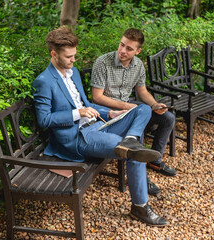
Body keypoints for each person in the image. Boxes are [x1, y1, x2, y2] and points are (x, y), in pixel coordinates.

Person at [32, 26, 169, 226]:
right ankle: (140, 207)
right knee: (131, 150)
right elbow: (44, 119)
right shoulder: (44, 81)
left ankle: (131, 140)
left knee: (143, 110)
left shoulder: (73, 72)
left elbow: (86, 103)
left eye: (75, 56)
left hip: (98, 125)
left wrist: (109, 113)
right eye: (69, 57)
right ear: (54, 54)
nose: (74, 60)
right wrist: (76, 114)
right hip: (77, 137)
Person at [91, 28, 177, 196]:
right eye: (121, 45)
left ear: (138, 51)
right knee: (137, 126)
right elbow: (97, 97)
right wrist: (124, 106)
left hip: (129, 105)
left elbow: (142, 91)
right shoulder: (103, 62)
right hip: (108, 111)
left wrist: (154, 105)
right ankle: (140, 176)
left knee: (168, 118)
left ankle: (155, 161)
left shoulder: (138, 65)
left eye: (129, 48)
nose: (123, 51)